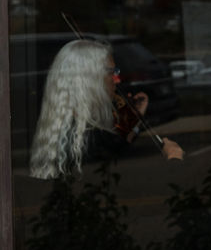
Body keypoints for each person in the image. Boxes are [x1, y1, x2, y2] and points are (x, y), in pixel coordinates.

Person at [29, 39, 184, 180]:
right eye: (111, 72)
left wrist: (133, 118)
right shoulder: (84, 137)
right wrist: (174, 158)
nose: (117, 79)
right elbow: (120, 170)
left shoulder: (75, 127)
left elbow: (115, 145)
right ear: (89, 80)